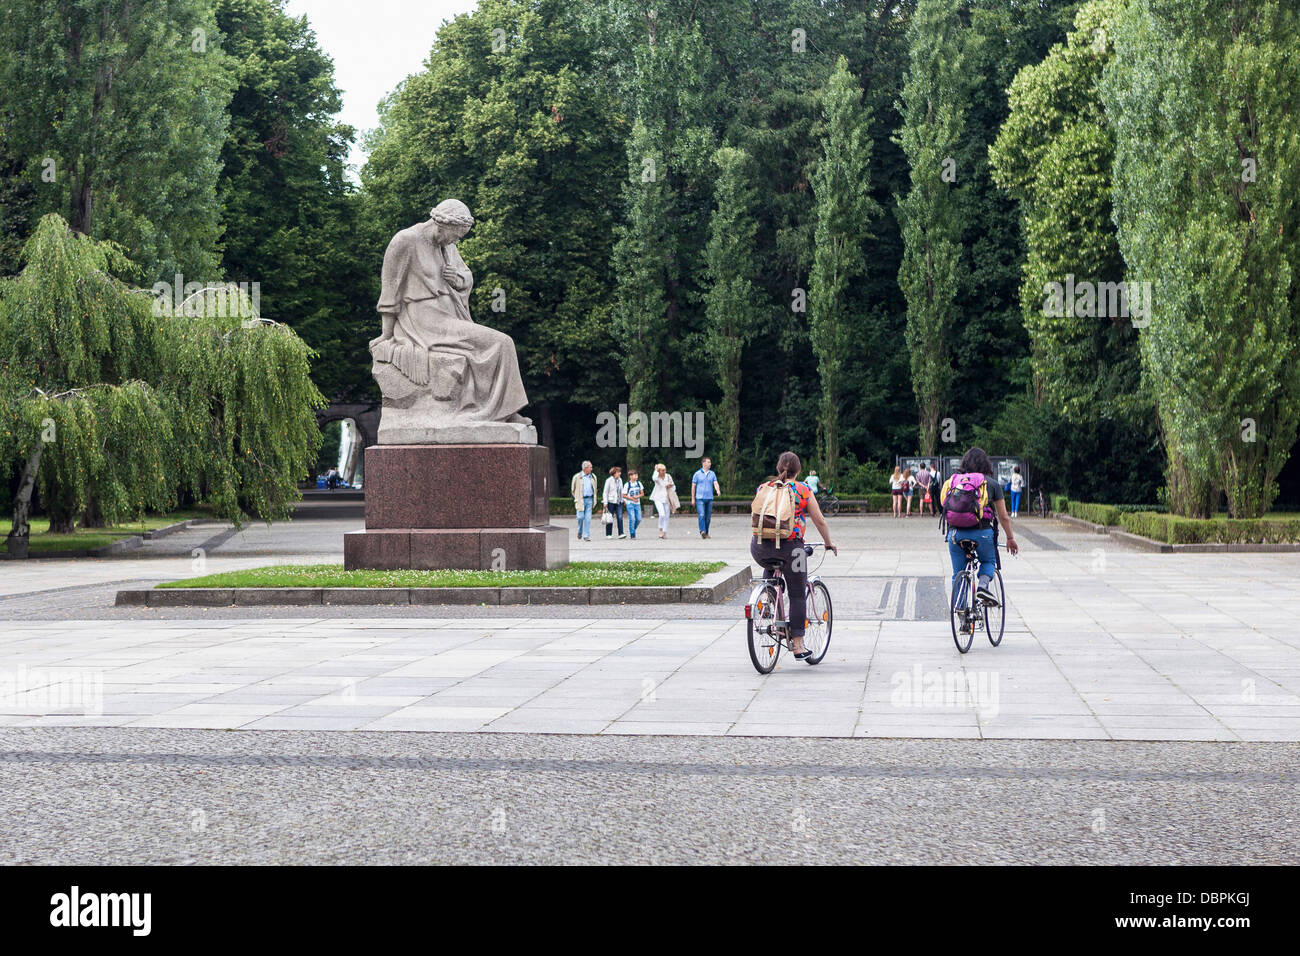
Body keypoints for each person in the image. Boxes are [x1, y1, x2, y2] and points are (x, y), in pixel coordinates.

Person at [750, 451, 837, 660]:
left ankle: (768, 600)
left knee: (771, 565)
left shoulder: (764, 487)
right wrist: (828, 543)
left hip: (759, 548)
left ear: (779, 468)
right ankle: (798, 645)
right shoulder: (803, 489)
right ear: (798, 470)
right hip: (793, 550)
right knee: (797, 594)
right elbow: (820, 520)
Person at [939, 446, 1019, 606]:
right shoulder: (992, 484)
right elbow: (1003, 516)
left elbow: (943, 505)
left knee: (958, 573)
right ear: (986, 464)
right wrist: (1010, 538)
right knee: (989, 561)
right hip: (982, 533)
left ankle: (961, 614)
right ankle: (983, 586)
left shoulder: (953, 481)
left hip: (955, 534)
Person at [691, 457, 721, 539]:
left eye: (710, 462)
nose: (710, 464)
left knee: (708, 517)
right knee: (701, 514)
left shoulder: (712, 474)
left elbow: (715, 483)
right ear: (704, 463)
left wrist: (717, 490)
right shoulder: (697, 474)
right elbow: (693, 487)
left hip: (709, 498)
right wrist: (693, 498)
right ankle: (702, 531)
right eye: (708, 462)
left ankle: (706, 532)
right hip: (700, 498)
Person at [570, 461, 597, 542]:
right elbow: (573, 489)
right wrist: (577, 498)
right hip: (580, 500)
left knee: (588, 519)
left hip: (590, 500)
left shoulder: (593, 476)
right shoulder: (577, 477)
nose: (592, 469)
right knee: (580, 517)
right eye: (590, 467)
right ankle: (580, 531)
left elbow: (595, 488)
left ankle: (586, 536)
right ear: (585, 468)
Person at [651, 463, 678, 538]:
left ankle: (664, 532)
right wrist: (655, 470)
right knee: (662, 514)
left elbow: (674, 487)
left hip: (666, 498)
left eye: (665, 470)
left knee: (667, 516)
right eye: (662, 470)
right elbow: (654, 478)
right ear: (659, 471)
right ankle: (660, 529)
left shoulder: (668, 476)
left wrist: (670, 486)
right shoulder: (657, 477)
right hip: (657, 498)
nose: (664, 472)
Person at [603, 466, 626, 538]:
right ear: (614, 473)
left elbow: (622, 490)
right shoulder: (608, 480)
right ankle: (608, 534)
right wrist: (605, 502)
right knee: (610, 517)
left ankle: (621, 533)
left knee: (620, 517)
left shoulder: (620, 480)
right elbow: (605, 492)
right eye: (618, 472)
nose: (620, 473)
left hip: (619, 501)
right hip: (611, 501)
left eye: (620, 472)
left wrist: (624, 500)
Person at [624, 470, 644, 539]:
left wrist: (637, 497)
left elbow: (642, 493)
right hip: (630, 503)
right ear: (630, 476)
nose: (636, 476)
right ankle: (632, 533)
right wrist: (632, 499)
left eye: (637, 475)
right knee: (632, 518)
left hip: (637, 503)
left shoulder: (639, 483)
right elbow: (623, 495)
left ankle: (632, 529)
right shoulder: (627, 484)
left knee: (638, 519)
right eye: (634, 475)